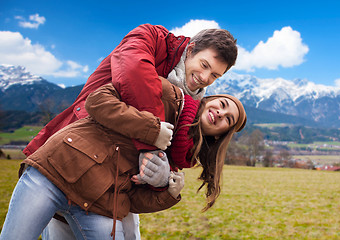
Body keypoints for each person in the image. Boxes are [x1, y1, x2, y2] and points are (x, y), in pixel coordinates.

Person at [21, 23, 238, 239]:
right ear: (190, 49)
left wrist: (164, 180)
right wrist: (151, 139)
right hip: (73, 155)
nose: (205, 77)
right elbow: (134, 76)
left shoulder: (190, 104)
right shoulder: (152, 38)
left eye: (215, 76)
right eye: (204, 65)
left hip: (112, 181)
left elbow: (163, 149)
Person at [0, 78, 247, 240]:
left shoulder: (181, 157)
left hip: (97, 205)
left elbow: (131, 198)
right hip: (55, 173)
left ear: (220, 135)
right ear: (209, 99)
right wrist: (151, 130)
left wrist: (165, 191)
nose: (221, 112)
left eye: (228, 119)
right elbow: (97, 100)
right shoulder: (169, 95)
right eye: (223, 104)